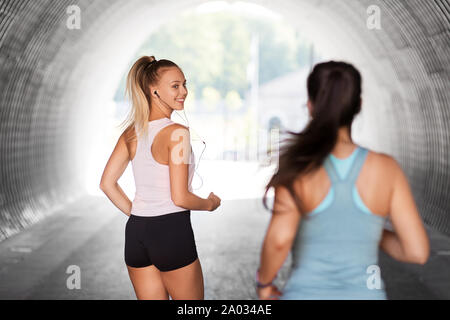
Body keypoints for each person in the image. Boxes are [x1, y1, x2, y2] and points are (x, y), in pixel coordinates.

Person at [257, 61, 429, 300]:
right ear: (358, 106)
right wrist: (367, 229)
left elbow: (279, 240)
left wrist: (264, 284)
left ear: (310, 106)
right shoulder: (387, 169)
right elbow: (416, 252)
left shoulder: (298, 165)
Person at [100, 56, 221, 300]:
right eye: (175, 86)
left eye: (184, 84)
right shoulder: (177, 134)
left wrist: (141, 215)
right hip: (171, 233)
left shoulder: (131, 133)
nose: (184, 92)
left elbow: (106, 184)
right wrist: (210, 204)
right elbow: (180, 197)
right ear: (153, 90)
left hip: (136, 234)